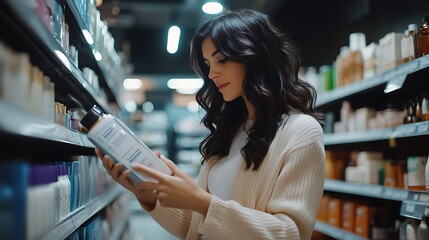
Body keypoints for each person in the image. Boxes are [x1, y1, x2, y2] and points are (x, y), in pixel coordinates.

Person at [96, 9, 326, 240]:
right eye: (208, 63)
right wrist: (145, 192)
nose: (212, 73)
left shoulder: (301, 131)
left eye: (222, 60)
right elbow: (196, 227)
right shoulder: (230, 130)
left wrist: (201, 201)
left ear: (255, 56)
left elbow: (290, 234)